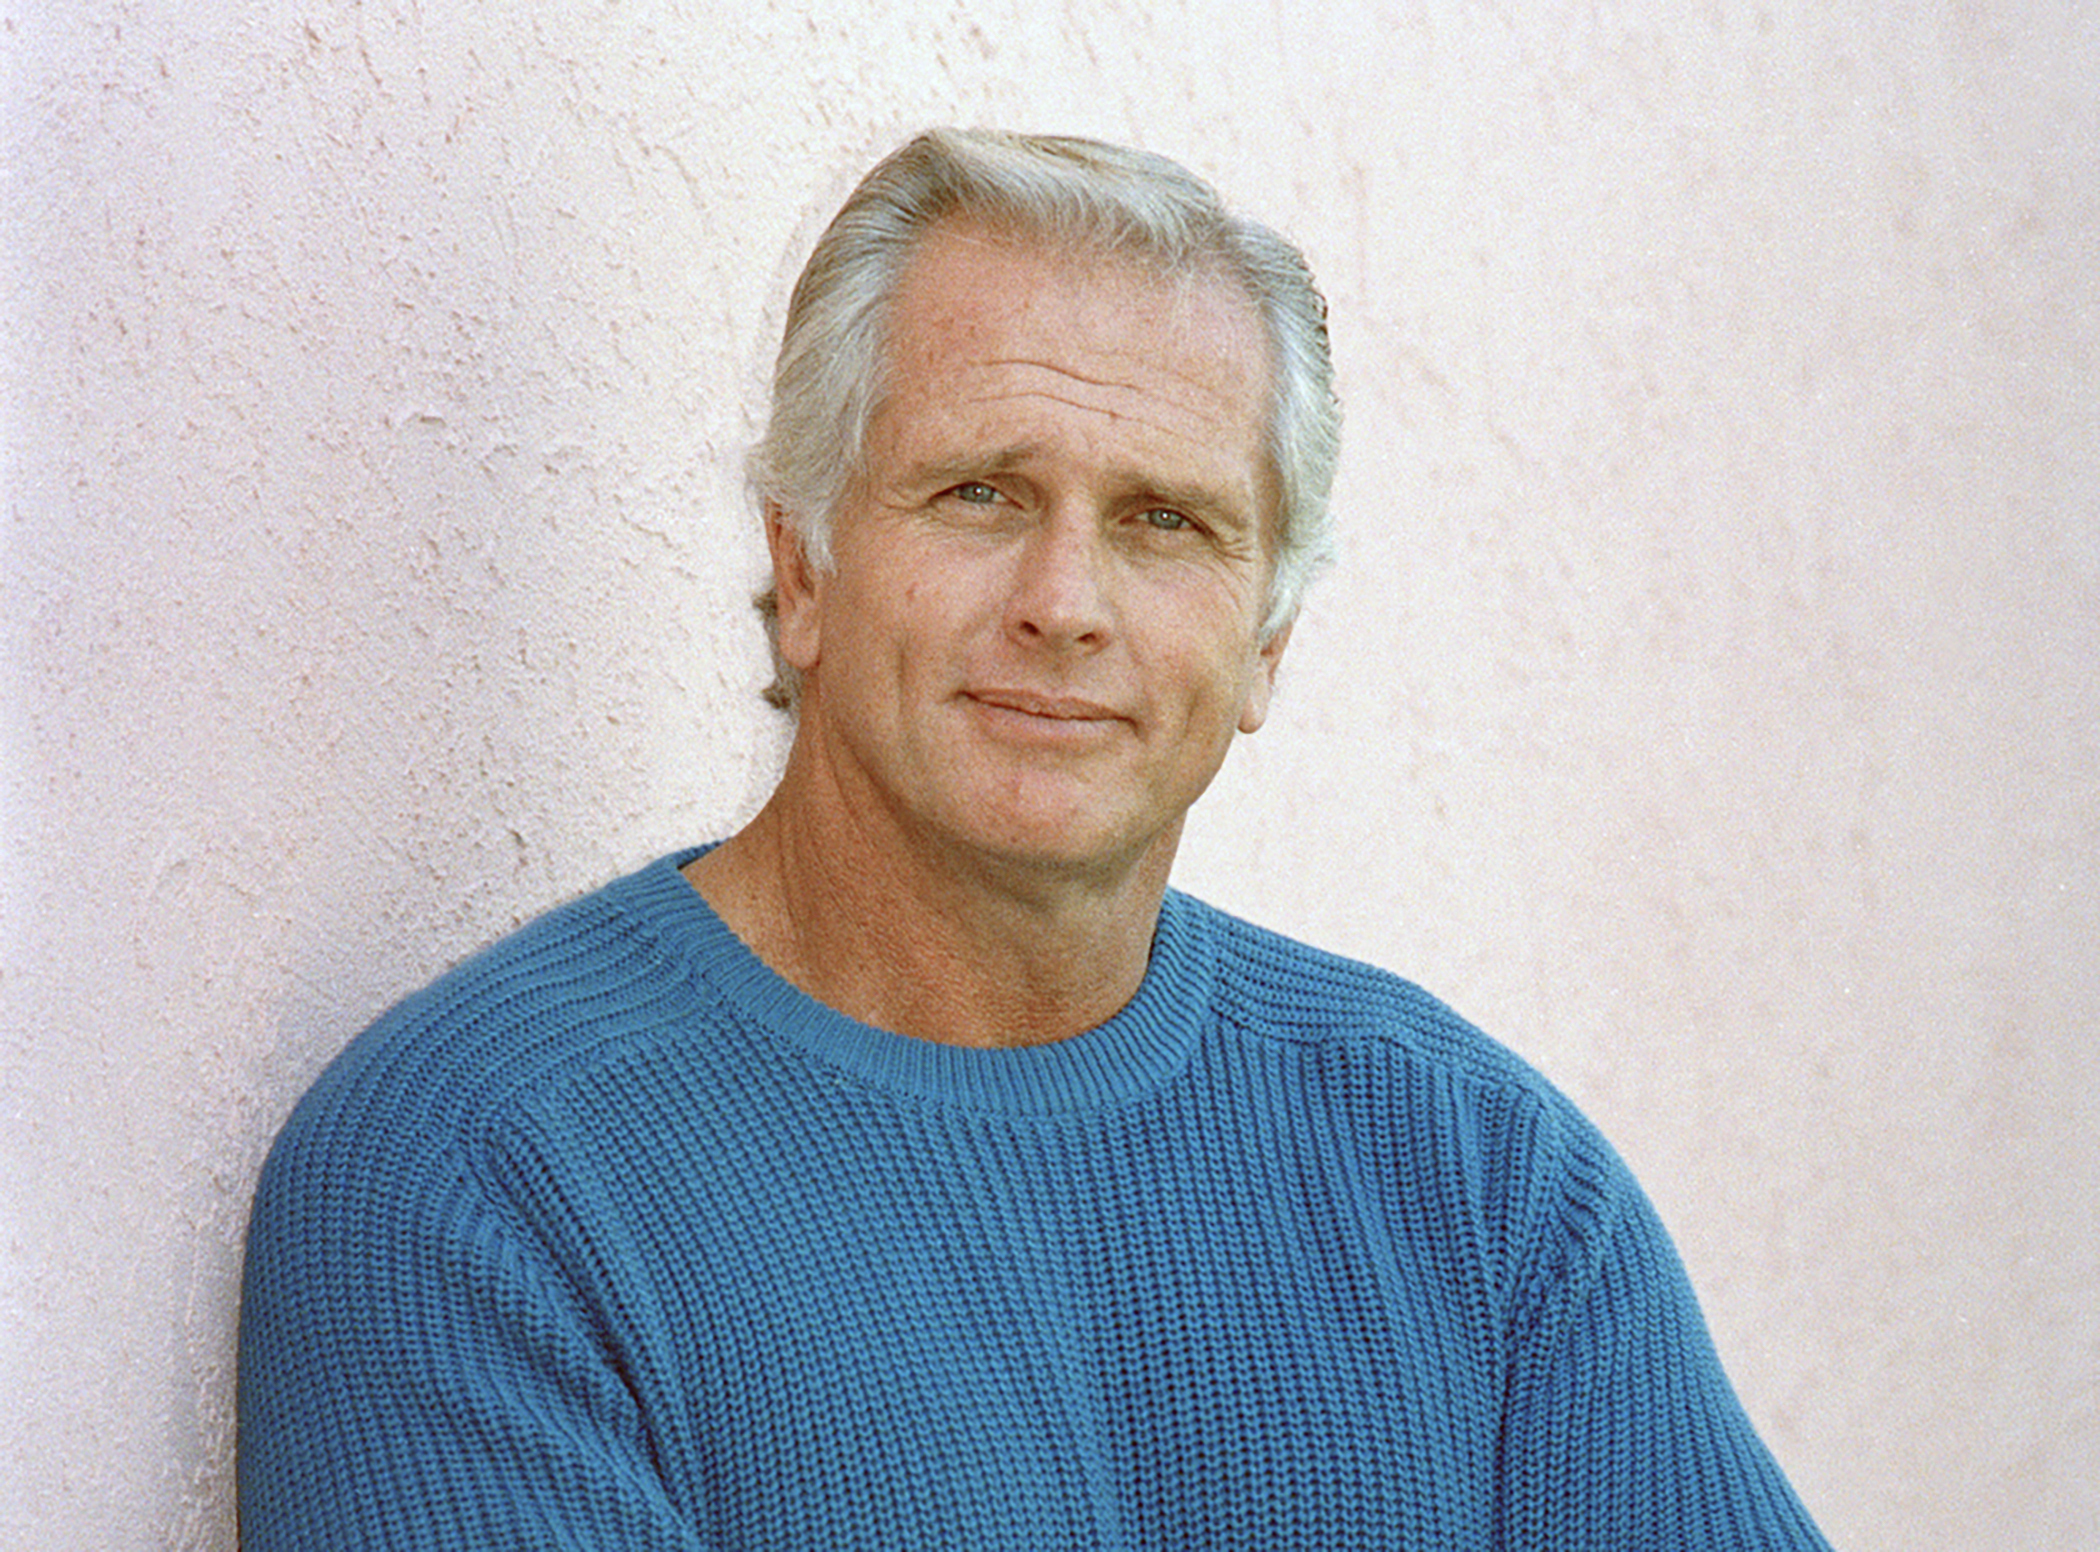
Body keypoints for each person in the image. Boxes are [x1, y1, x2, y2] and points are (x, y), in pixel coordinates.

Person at [237, 128, 1832, 1550]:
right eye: (982, 494)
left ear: (1269, 638)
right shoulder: (478, 1179)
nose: (1065, 604)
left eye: (1166, 522)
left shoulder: (1480, 1185)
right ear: (803, 568)